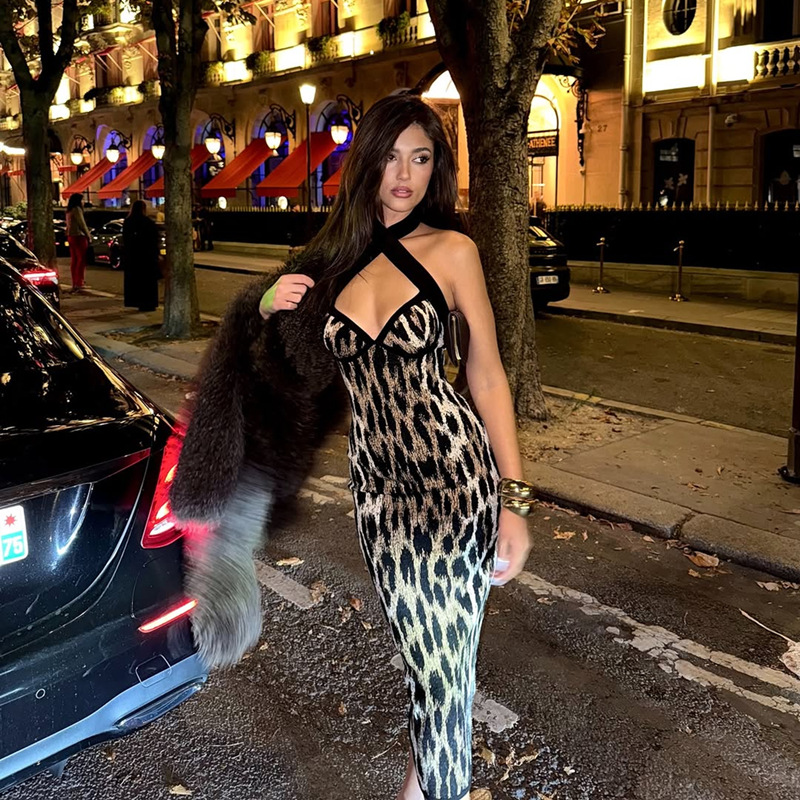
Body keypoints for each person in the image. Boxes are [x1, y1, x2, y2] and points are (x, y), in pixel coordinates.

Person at [258, 94, 531, 800]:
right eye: (390, 157)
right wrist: (264, 303)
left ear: (437, 168)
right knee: (431, 664)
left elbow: (487, 374)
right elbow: (277, 361)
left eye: (421, 157)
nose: (404, 174)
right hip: (378, 492)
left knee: (441, 674)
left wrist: (514, 499)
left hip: (453, 478)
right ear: (367, 164)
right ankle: (426, 784)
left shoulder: (454, 250)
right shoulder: (331, 261)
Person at [121, 200, 159, 312]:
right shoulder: (148, 222)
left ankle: (136, 301)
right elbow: (153, 239)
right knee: (147, 281)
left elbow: (125, 239)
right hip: (146, 256)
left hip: (133, 256)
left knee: (135, 280)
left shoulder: (128, 222)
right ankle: (148, 303)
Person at [65, 193, 91, 292]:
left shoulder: (69, 211)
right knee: (81, 259)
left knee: (75, 260)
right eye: (82, 200)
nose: (83, 202)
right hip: (79, 236)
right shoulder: (77, 209)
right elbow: (82, 224)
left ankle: (75, 282)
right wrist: (88, 235)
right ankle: (79, 282)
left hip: (71, 236)